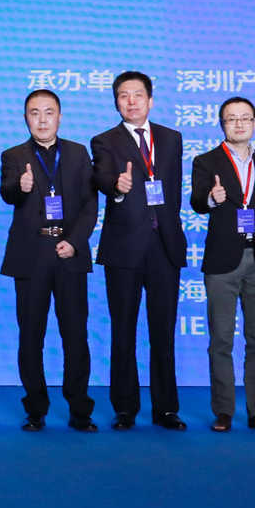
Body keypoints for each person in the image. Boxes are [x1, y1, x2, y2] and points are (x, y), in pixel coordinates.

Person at [91, 70, 189, 431]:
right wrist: (116, 187)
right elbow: (101, 177)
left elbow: (173, 191)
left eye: (137, 95)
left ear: (150, 100)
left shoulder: (171, 138)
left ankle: (166, 409)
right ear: (116, 102)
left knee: (163, 332)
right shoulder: (104, 141)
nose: (131, 101)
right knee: (124, 331)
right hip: (124, 248)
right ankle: (125, 408)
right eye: (123, 96)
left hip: (164, 247)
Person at [0, 89, 97, 431]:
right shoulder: (13, 155)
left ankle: (80, 409)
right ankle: (35, 409)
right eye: (34, 113)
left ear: (59, 116)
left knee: (76, 335)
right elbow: (7, 192)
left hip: (69, 253)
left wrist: (75, 242)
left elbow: (90, 205)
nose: (42, 120)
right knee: (31, 336)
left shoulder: (78, 153)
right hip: (31, 255)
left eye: (49, 112)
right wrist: (21, 186)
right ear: (26, 118)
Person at [190, 96, 255, 432]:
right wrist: (211, 199)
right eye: (232, 118)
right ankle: (224, 412)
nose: (239, 124)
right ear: (222, 124)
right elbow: (196, 202)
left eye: (245, 118)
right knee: (221, 341)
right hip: (222, 261)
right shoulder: (206, 161)